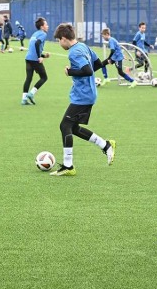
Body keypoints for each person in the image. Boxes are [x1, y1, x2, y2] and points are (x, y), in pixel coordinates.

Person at [48, 23, 116, 176]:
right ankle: (105, 145)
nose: (59, 43)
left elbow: (87, 70)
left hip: (83, 95)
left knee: (64, 126)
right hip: (87, 94)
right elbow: (97, 64)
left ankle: (68, 166)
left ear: (64, 39)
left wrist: (70, 71)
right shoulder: (83, 46)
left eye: (59, 40)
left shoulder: (74, 52)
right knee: (73, 128)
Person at [22, 17, 50, 105]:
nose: (47, 26)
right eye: (46, 25)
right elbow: (37, 43)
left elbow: (33, 47)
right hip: (34, 59)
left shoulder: (35, 34)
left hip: (28, 58)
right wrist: (39, 57)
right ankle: (31, 93)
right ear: (42, 27)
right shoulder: (43, 34)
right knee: (44, 77)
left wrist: (43, 55)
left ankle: (24, 99)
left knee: (28, 78)